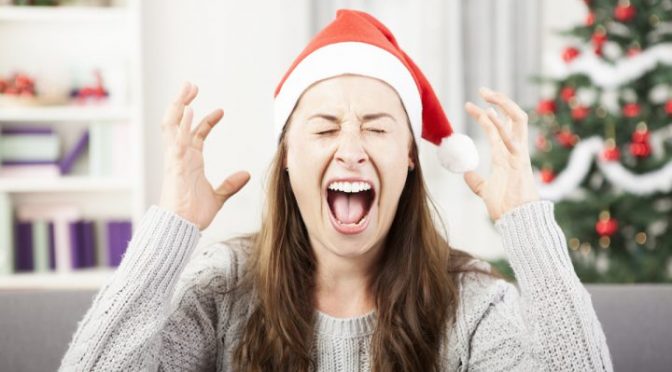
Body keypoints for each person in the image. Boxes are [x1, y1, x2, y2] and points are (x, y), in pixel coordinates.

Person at [59, 9, 613, 372]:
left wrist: (527, 226)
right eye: (324, 128)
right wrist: (172, 225)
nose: (350, 148)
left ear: (412, 158)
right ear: (288, 160)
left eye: (376, 127)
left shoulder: (475, 305)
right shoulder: (222, 290)